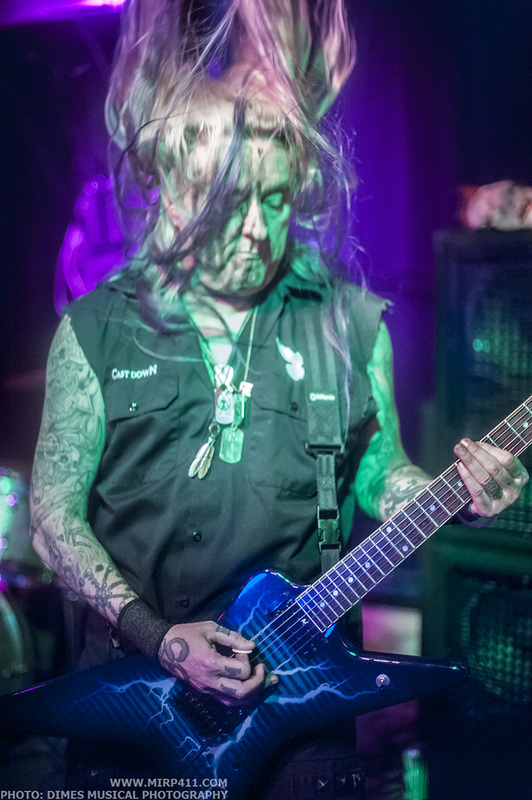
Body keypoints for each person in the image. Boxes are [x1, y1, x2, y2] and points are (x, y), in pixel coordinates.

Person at [29, 0, 528, 796]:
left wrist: (457, 496)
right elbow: (52, 520)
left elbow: (380, 473)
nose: (259, 230)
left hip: (303, 728)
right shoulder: (94, 330)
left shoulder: (350, 321)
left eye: (276, 199)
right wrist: (161, 639)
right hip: (136, 719)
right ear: (175, 191)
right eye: (233, 203)